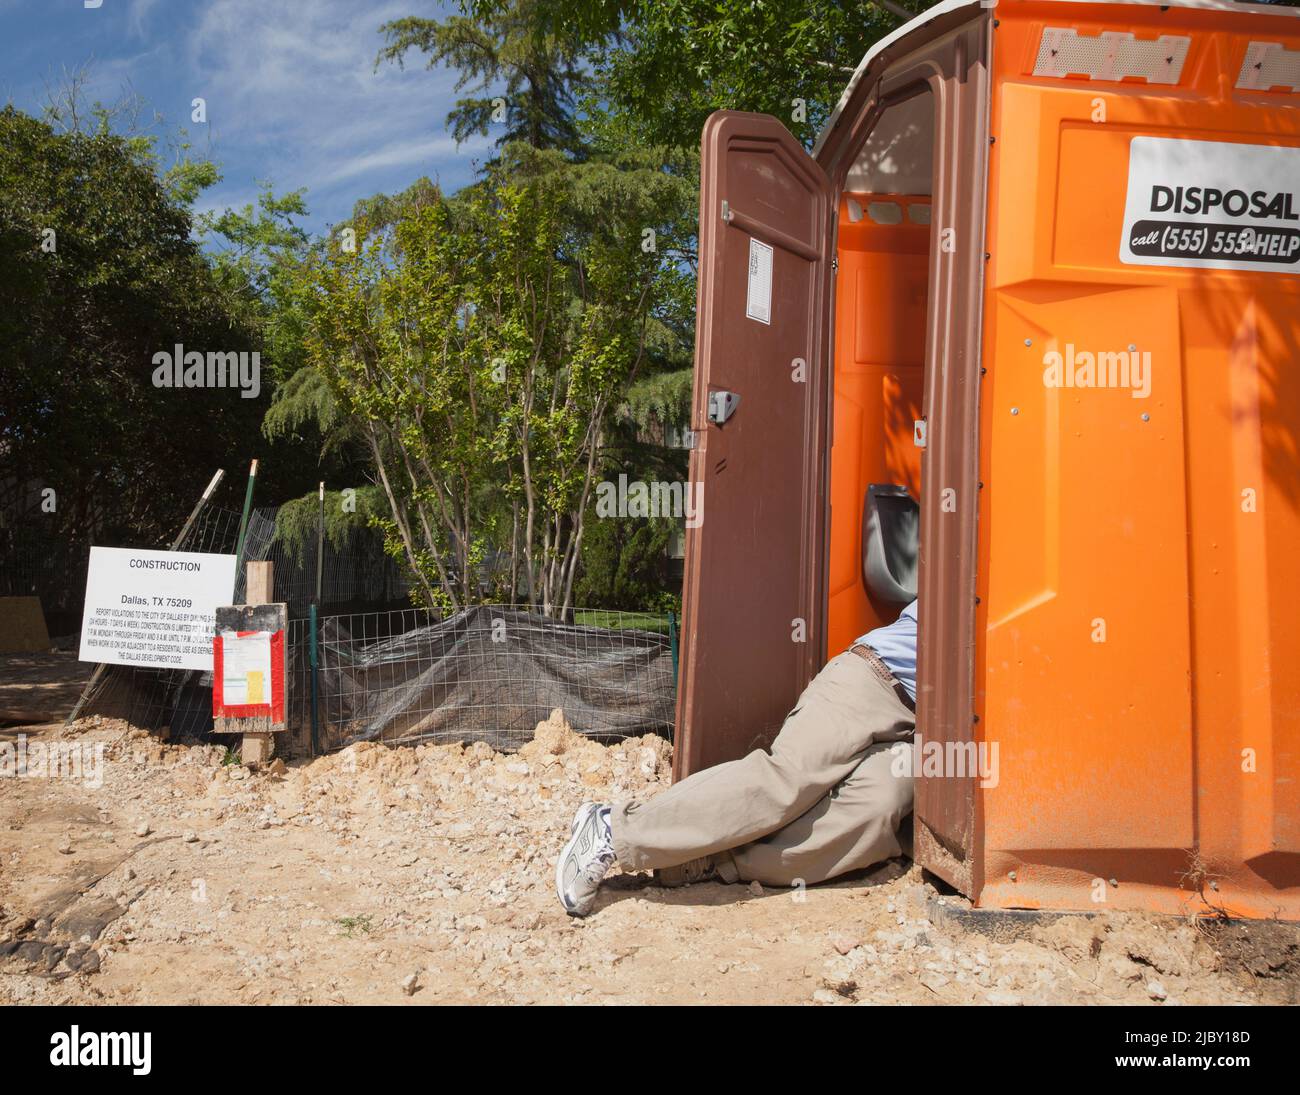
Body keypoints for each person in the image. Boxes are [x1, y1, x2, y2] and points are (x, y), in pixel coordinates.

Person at [556, 600, 918, 916]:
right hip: (875, 680)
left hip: (918, 728)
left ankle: (713, 859)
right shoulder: (967, 576)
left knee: (880, 806)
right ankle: (612, 829)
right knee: (787, 781)